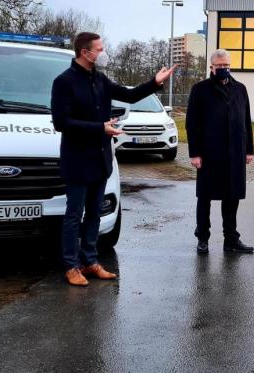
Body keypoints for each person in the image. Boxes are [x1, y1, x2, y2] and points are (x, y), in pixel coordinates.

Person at [51, 31, 174, 286]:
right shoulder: (64, 82)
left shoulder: (100, 79)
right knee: (74, 214)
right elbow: (62, 122)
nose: (103, 53)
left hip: (100, 159)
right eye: (100, 49)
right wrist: (100, 128)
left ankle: (91, 261)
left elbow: (128, 95)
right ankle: (72, 266)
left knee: (94, 213)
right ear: (85, 53)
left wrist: (155, 82)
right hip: (77, 160)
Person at [186, 49, 254, 255]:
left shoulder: (240, 89)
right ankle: (203, 238)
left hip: (235, 152)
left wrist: (248, 149)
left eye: (227, 65)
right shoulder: (200, 90)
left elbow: (247, 121)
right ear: (211, 68)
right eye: (220, 66)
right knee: (205, 197)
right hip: (209, 153)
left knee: (232, 197)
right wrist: (195, 153)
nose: (224, 69)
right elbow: (192, 123)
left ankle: (231, 239)